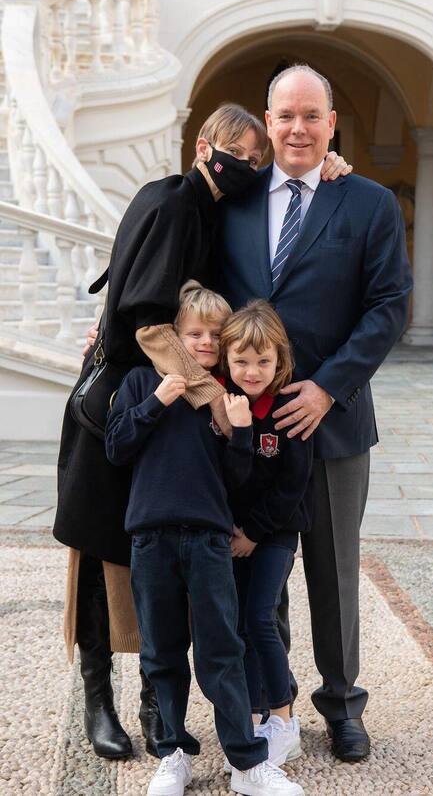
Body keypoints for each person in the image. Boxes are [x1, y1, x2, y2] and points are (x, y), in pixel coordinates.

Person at [53, 104, 269, 759]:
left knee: (148, 558)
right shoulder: (175, 201)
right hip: (123, 402)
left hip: (158, 397)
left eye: (257, 160)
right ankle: (99, 703)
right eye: (238, 152)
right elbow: (147, 322)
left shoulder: (197, 205)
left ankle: (156, 706)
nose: (248, 167)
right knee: (98, 556)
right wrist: (208, 397)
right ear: (204, 146)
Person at [216, 65, 413, 761]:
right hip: (247, 430)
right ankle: (276, 704)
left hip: (332, 424)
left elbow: (389, 305)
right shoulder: (231, 203)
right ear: (267, 124)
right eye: (285, 115)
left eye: (311, 116)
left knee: (333, 573)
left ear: (332, 123)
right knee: (257, 567)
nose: (298, 128)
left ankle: (342, 704)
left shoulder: (366, 203)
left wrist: (328, 386)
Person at [105, 283, 304, 796]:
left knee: (222, 651)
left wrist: (239, 433)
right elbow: (116, 447)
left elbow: (237, 482)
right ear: (176, 332)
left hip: (210, 538)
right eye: (193, 332)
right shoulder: (140, 381)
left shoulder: (225, 400)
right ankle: (172, 754)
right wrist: (155, 402)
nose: (203, 342)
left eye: (215, 334)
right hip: (150, 534)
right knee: (162, 651)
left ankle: (247, 762)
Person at [219, 301, 313, 769]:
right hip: (231, 534)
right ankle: (255, 713)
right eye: (241, 361)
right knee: (237, 623)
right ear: (225, 359)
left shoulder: (287, 409)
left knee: (261, 617)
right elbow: (228, 478)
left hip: (274, 532)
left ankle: (283, 716)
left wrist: (255, 532)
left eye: (263, 361)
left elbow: (293, 483)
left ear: (281, 361)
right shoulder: (223, 406)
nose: (252, 371)